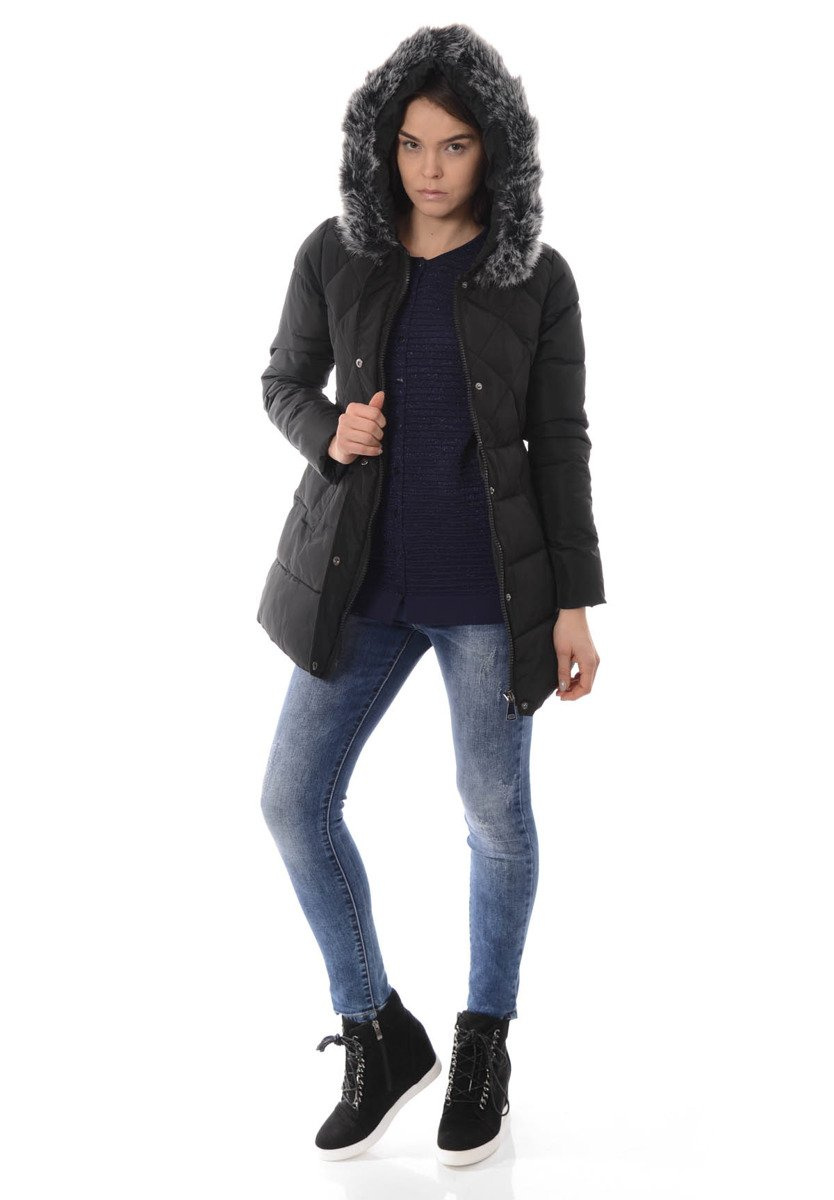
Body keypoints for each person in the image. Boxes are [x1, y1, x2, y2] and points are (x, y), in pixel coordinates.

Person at [257, 23, 606, 1167]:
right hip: (356, 583)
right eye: (411, 144)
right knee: (292, 800)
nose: (430, 169)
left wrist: (573, 601)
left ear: (493, 149)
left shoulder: (535, 278)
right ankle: (377, 1030)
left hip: (488, 596)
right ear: (383, 145)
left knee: (495, 819)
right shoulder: (335, 253)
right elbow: (282, 381)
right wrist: (330, 431)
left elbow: (560, 442)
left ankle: (483, 1041)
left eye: (455, 146)